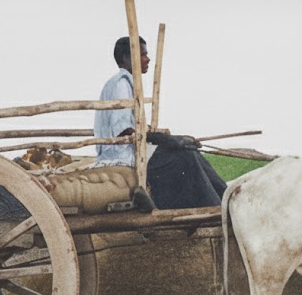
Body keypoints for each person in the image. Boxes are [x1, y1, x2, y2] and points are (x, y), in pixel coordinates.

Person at [94, 36, 227, 210]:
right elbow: (125, 130)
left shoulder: (127, 83)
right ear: (126, 58)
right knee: (185, 158)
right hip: (121, 155)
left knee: (190, 151)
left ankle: (225, 200)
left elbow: (136, 127)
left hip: (132, 150)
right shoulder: (121, 84)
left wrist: (174, 139)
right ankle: (214, 209)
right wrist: (165, 140)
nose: (148, 58)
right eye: (143, 54)